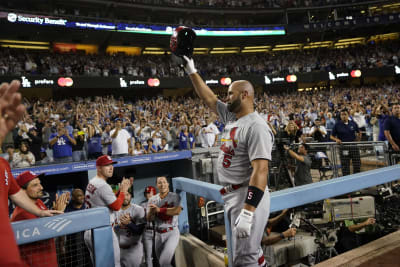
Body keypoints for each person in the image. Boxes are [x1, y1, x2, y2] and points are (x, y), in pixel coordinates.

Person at [183, 57, 273, 266]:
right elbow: (210, 100)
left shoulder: (256, 126)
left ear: (244, 95)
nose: (226, 97)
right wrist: (191, 70)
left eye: (230, 93)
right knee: (249, 253)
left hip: (246, 196)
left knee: (245, 259)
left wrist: (249, 212)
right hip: (233, 194)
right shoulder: (234, 118)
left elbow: (261, 171)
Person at [11, 171, 69, 267]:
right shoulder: (22, 214)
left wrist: (55, 212)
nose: (41, 187)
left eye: (40, 183)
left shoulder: (38, 203)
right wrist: (57, 218)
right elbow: (46, 234)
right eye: (35, 185)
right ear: (22, 191)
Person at [84, 155, 132, 267]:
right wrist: (124, 191)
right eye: (107, 165)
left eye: (111, 165)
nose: (111, 168)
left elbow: (108, 200)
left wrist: (120, 191)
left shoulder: (93, 181)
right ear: (98, 168)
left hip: (90, 231)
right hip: (102, 231)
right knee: (114, 264)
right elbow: (116, 206)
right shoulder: (102, 185)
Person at [147, 176, 182, 267]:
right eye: (159, 183)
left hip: (172, 232)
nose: (162, 184)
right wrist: (151, 211)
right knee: (162, 263)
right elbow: (149, 219)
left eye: (164, 182)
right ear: (157, 185)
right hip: (158, 234)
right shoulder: (152, 199)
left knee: (164, 262)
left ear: (168, 184)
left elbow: (177, 211)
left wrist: (159, 210)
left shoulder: (175, 196)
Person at [114, 191, 146, 267]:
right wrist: (119, 225)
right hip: (117, 250)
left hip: (133, 250)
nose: (125, 197)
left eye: (127, 194)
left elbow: (139, 231)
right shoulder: (113, 211)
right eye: (122, 195)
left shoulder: (138, 209)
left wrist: (129, 224)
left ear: (130, 195)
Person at [61, 189, 90, 267]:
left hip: (87, 239)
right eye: (79, 196)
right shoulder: (67, 209)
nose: (82, 197)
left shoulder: (87, 206)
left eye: (82, 195)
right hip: (73, 242)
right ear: (73, 198)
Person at [330, 109, 361, 176]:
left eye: (345, 114)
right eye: (342, 114)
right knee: (345, 165)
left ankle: (357, 179)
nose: (343, 116)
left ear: (348, 115)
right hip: (343, 147)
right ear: (340, 116)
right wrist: (336, 139)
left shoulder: (353, 123)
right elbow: (331, 136)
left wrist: (357, 139)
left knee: (357, 164)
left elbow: (359, 132)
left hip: (353, 147)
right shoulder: (337, 125)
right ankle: (346, 181)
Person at [140, 186, 157, 267]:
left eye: (150, 192)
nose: (148, 195)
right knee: (148, 256)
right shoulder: (142, 205)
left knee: (159, 255)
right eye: (147, 193)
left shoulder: (160, 203)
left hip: (158, 231)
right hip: (147, 231)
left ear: (154, 193)